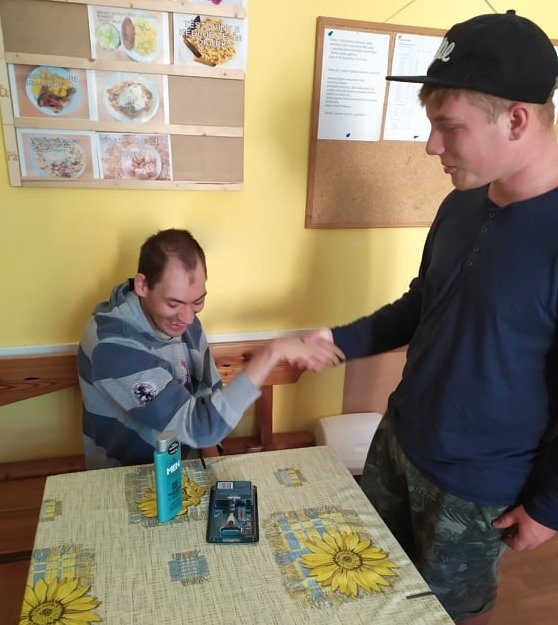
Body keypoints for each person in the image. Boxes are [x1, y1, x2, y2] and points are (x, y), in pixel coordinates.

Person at [307, 10, 558, 625]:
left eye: (449, 127)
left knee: (448, 613)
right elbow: (425, 303)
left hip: (477, 483)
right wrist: (334, 341)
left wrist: (550, 506)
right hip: (399, 438)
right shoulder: (461, 203)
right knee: (368, 580)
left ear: (516, 120)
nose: (430, 146)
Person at [78, 228, 343, 470]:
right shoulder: (110, 344)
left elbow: (205, 394)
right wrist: (272, 352)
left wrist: (214, 472)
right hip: (124, 477)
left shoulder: (184, 322)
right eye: (173, 303)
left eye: (198, 302)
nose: (187, 318)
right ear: (142, 285)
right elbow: (200, 427)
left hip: (185, 470)